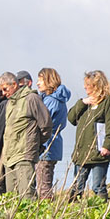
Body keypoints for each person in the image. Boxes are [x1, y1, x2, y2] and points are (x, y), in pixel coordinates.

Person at [67, 70, 110, 203]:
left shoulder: (108, 101)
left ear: (96, 85)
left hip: (99, 153)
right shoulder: (85, 103)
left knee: (98, 187)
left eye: (88, 86)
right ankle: (71, 212)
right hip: (82, 153)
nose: (86, 89)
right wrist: (82, 103)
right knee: (77, 187)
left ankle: (102, 213)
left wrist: (107, 146)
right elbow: (71, 118)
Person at [2, 71, 44, 198]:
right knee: (11, 197)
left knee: (27, 196)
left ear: (14, 84)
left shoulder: (31, 98)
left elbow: (45, 124)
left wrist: (34, 143)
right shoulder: (10, 103)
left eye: (5, 89)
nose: (3, 93)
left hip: (25, 154)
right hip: (9, 156)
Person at [36, 68, 70, 199]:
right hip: (51, 144)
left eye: (41, 80)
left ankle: (46, 213)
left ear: (49, 81)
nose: (38, 83)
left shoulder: (52, 101)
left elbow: (43, 122)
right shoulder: (51, 99)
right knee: (43, 182)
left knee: (43, 186)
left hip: (47, 146)